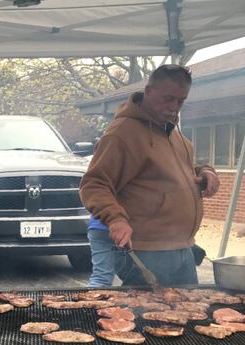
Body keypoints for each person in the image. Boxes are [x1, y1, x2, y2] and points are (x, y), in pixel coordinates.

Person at [79, 64, 220, 286]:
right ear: (148, 91)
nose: (174, 107)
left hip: (182, 247)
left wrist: (205, 173)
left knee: (190, 314)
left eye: (181, 101)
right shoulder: (122, 134)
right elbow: (94, 184)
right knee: (149, 317)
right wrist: (115, 219)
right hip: (145, 251)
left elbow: (179, 171)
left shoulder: (173, 133)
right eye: (168, 98)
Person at [86, 216, 116, 288]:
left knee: (100, 278)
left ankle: (92, 297)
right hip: (127, 228)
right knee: (134, 281)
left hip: (98, 226)